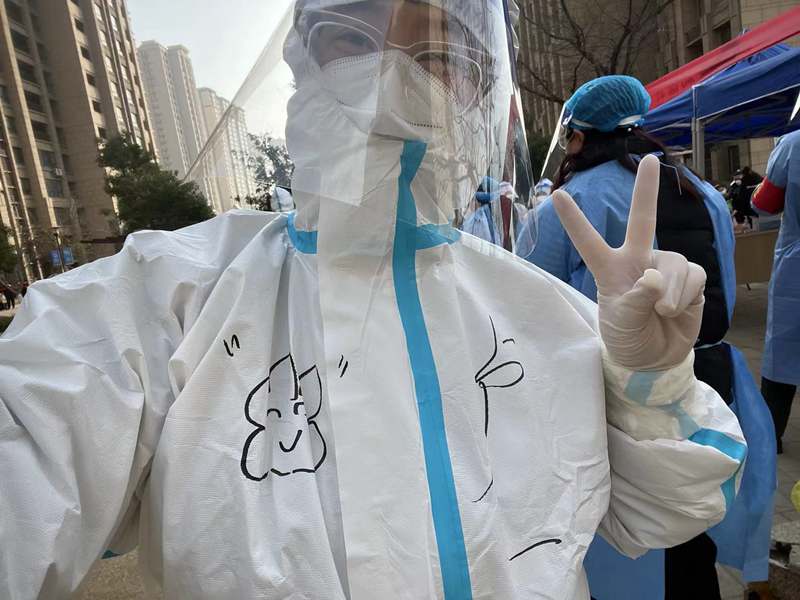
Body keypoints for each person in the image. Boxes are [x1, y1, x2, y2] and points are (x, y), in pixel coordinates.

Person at [0, 3, 745, 599]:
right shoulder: (167, 299)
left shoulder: (533, 308)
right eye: (352, 37)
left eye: (440, 56)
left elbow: (665, 507)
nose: (391, 75)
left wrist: (649, 380)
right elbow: (31, 437)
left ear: (481, 91)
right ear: (300, 58)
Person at [519, 75, 774, 600]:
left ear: (578, 137)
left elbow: (528, 319)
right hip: (710, 391)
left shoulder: (566, 206)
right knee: (693, 529)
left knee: (627, 551)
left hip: (613, 408)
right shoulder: (701, 190)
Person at [751, 129, 800, 454]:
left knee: (784, 350)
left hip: (796, 267)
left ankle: (771, 437)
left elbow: (764, 204)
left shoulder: (793, 145)